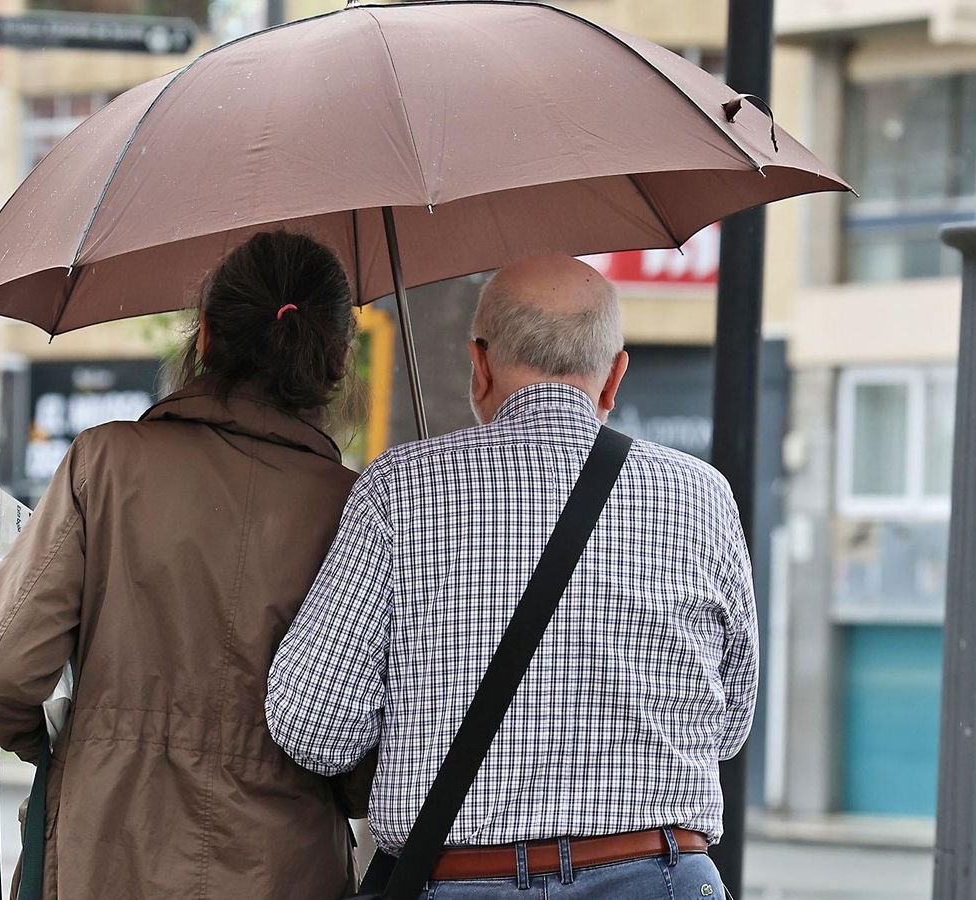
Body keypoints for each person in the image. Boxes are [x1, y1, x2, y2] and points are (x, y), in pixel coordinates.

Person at [267, 255, 758, 899]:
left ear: (480, 363)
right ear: (615, 376)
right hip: (659, 876)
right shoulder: (701, 495)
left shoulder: (398, 489)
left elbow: (315, 726)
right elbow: (730, 724)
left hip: (458, 880)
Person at [0, 231, 370, 900]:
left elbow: (6, 671)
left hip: (102, 857)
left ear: (206, 335)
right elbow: (365, 759)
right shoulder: (359, 508)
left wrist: (79, 749)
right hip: (287, 870)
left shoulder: (105, 464)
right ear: (336, 359)